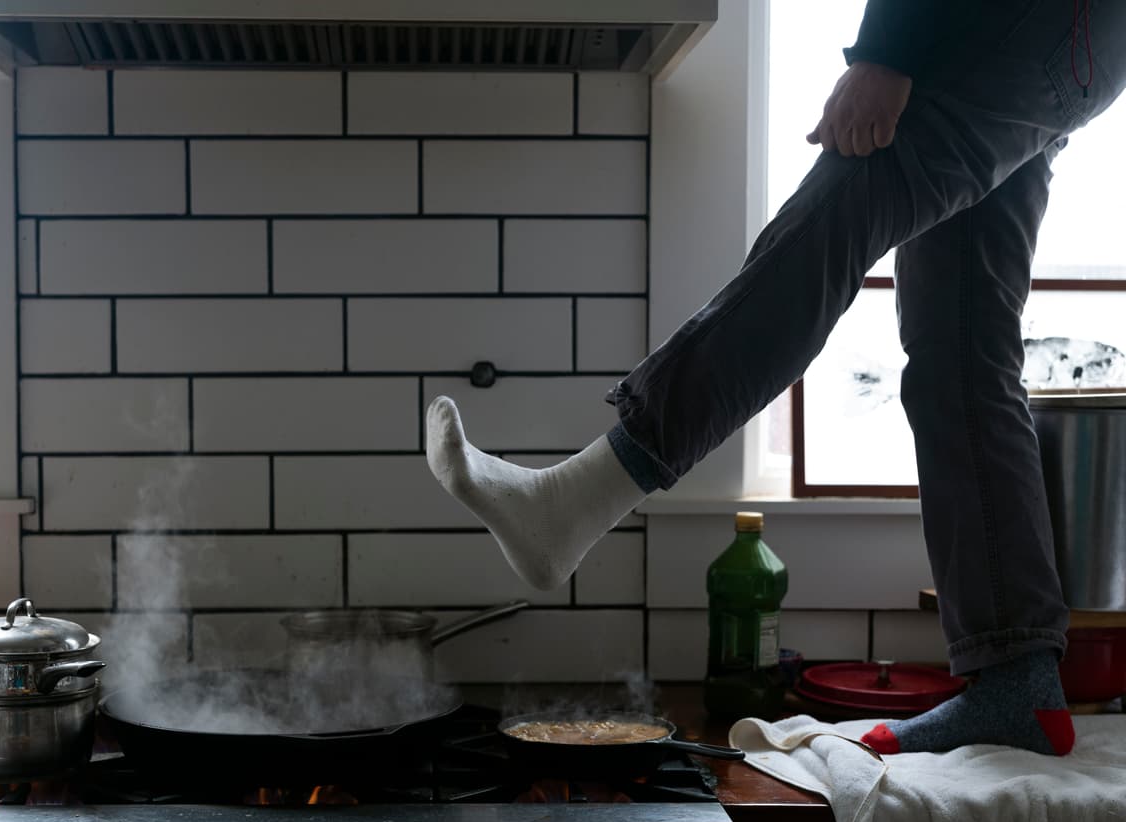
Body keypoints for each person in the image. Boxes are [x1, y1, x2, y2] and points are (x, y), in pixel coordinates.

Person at [425, 0, 1125, 756]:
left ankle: (577, 500)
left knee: (834, 218)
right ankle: (1019, 684)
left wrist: (887, 48)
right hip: (1081, 38)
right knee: (962, 340)